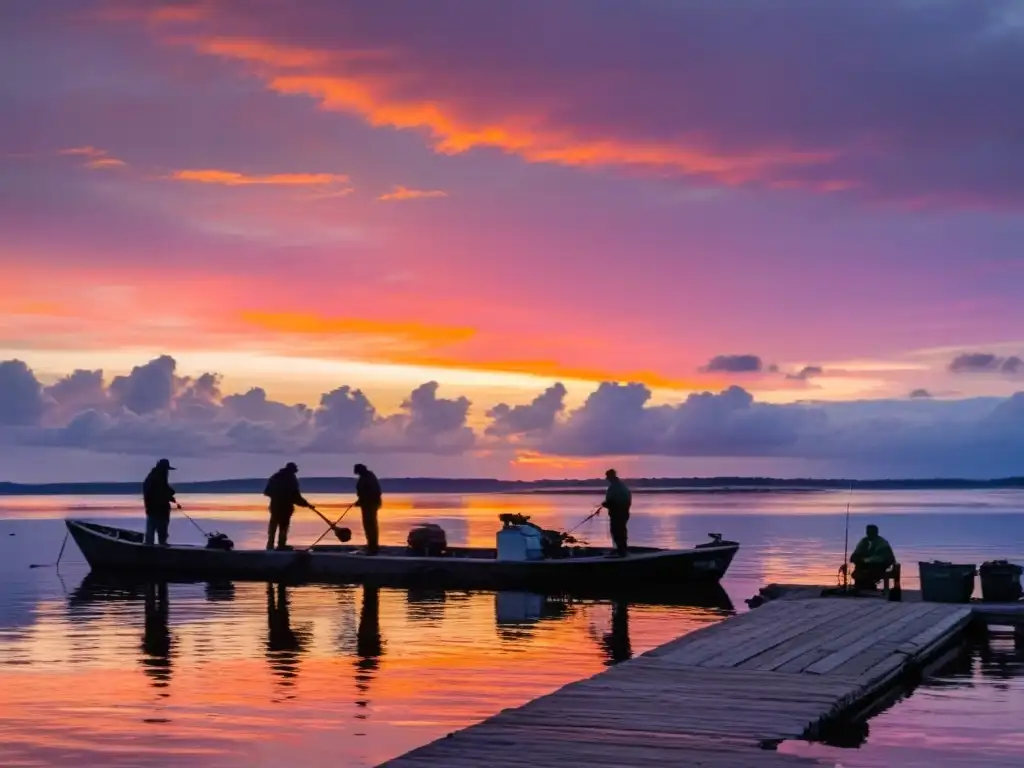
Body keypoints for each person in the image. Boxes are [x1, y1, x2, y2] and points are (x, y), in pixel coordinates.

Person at [263, 462, 313, 550]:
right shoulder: (291, 480)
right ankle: (280, 545)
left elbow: (267, 492)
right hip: (284, 508)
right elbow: (296, 496)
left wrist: (306, 504)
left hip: (275, 507)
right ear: (293, 470)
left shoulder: (275, 477)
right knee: (283, 527)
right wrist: (305, 504)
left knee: (274, 526)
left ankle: (270, 545)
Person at [143, 458, 180, 546]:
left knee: (152, 531)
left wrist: (170, 497)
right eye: (166, 469)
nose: (167, 471)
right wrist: (169, 495)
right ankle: (159, 547)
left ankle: (151, 547)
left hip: (153, 509)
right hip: (158, 509)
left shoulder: (154, 477)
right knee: (159, 530)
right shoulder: (157, 478)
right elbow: (160, 492)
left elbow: (163, 491)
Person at [849, 524, 896, 589]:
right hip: (864, 565)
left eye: (871, 532)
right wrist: (855, 558)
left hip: (880, 565)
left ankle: (869, 586)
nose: (869, 534)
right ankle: (860, 586)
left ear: (876, 532)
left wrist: (867, 560)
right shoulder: (863, 541)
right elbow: (856, 552)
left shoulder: (882, 542)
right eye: (868, 532)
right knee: (859, 569)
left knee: (871, 571)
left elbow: (884, 558)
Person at [601, 469, 632, 557]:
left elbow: (617, 502)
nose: (607, 478)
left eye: (608, 476)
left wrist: (607, 504)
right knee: (620, 531)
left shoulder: (616, 487)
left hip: (618, 513)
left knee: (618, 531)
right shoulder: (621, 486)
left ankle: (621, 551)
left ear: (611, 476)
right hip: (622, 513)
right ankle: (621, 549)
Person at [354, 463, 382, 555]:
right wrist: (360, 501)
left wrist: (364, 500)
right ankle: (371, 545)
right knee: (368, 525)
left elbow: (374, 492)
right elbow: (363, 492)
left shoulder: (368, 477)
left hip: (370, 505)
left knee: (370, 525)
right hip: (367, 504)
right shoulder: (365, 477)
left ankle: (373, 546)